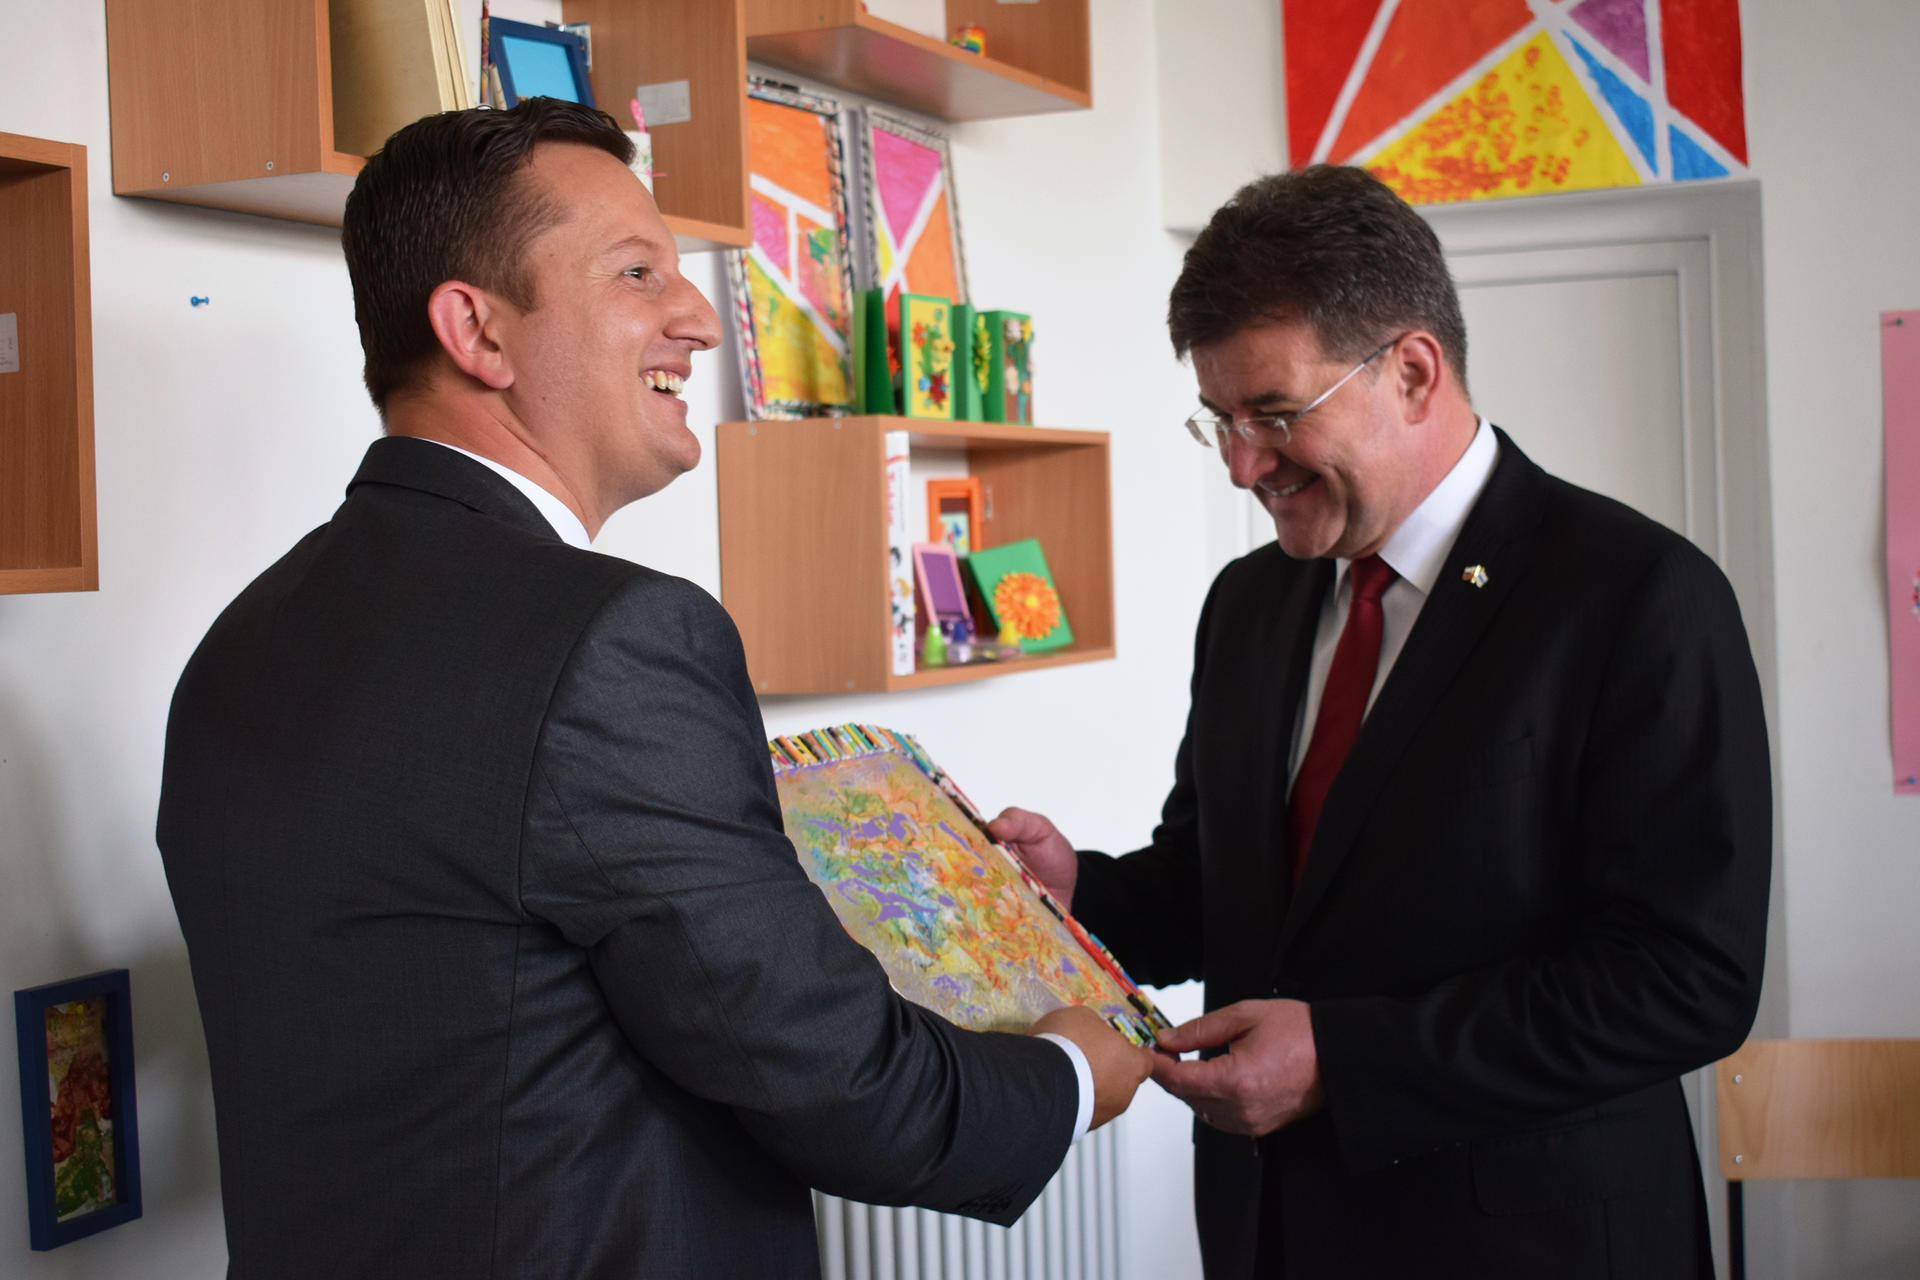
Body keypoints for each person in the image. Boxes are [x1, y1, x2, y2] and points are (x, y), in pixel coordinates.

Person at [155, 100, 1150, 1280]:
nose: (699, 319)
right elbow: (853, 1089)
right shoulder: (615, 637)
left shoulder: (240, 642)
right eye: (638, 272)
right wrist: (1073, 1068)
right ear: (477, 330)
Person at [991, 166, 1771, 1280]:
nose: (1243, 466)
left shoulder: (1640, 593)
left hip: (1528, 1243)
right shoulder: (1248, 603)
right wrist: (1079, 896)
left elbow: (1685, 979)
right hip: (1271, 1233)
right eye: (1220, 421)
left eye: (1275, 414)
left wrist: (1344, 1063)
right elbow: (1229, 888)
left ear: (1412, 372)